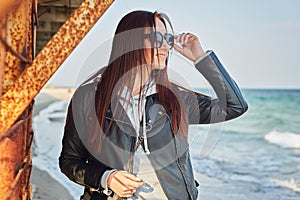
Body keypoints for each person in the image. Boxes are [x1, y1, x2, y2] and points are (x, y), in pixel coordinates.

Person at [59, 10, 248, 200]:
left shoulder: (174, 99)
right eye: (157, 38)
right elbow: (69, 161)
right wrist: (106, 178)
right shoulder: (89, 97)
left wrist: (200, 57)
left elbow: (235, 106)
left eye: (168, 39)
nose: (166, 46)